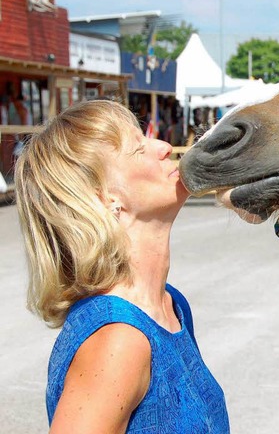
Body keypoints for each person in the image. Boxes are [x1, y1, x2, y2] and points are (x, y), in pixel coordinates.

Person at [14, 100, 230, 433]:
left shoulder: (172, 306)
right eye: (137, 148)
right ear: (104, 199)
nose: (163, 147)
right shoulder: (118, 339)